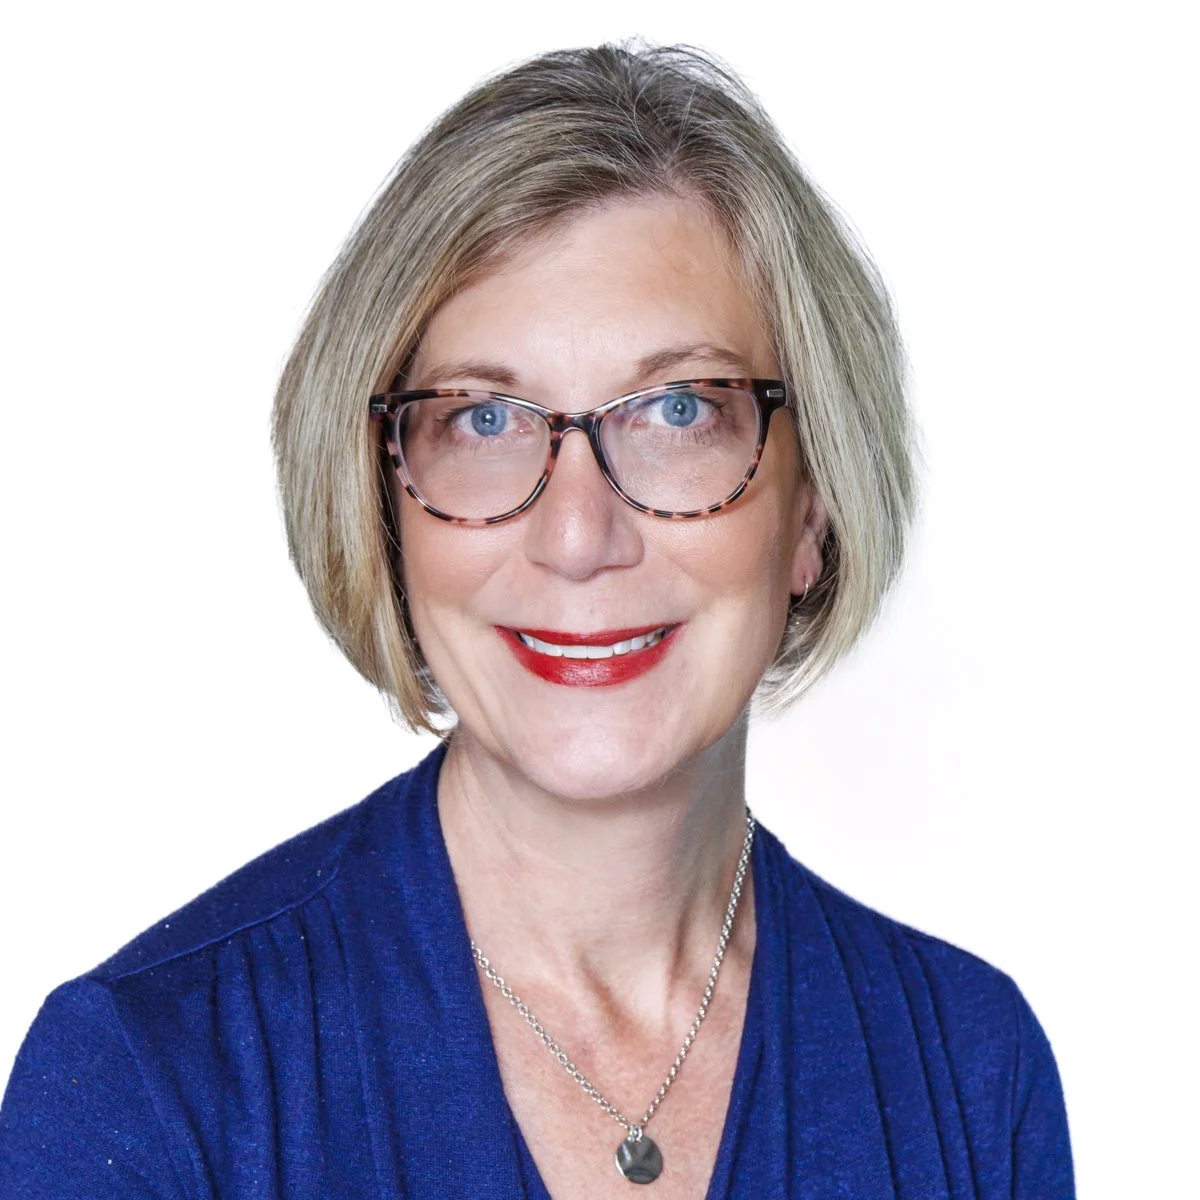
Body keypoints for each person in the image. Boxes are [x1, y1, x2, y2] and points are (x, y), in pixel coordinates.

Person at [0, 41, 1074, 1198]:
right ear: (383, 500)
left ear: (812, 505)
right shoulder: (154, 1081)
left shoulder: (969, 1071)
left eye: (678, 409)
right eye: (484, 421)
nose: (577, 535)